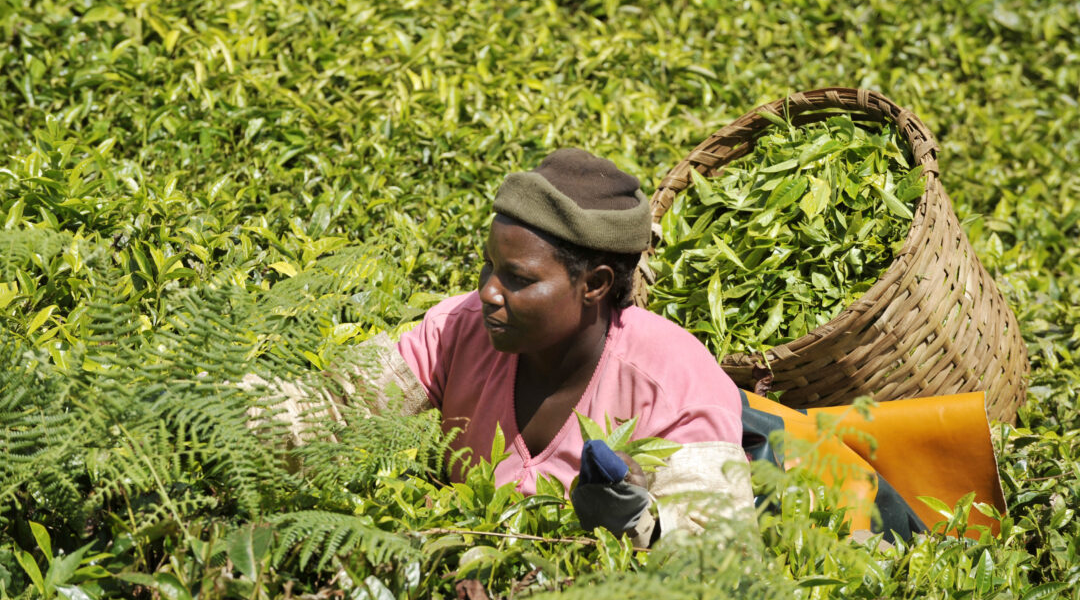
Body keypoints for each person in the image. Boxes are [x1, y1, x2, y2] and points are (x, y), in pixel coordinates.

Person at [247, 148, 755, 547]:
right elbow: (334, 413)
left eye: (518, 278)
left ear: (595, 284)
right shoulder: (458, 329)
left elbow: (717, 564)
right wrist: (213, 414)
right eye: (489, 265)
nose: (489, 290)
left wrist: (638, 529)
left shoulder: (674, 385)